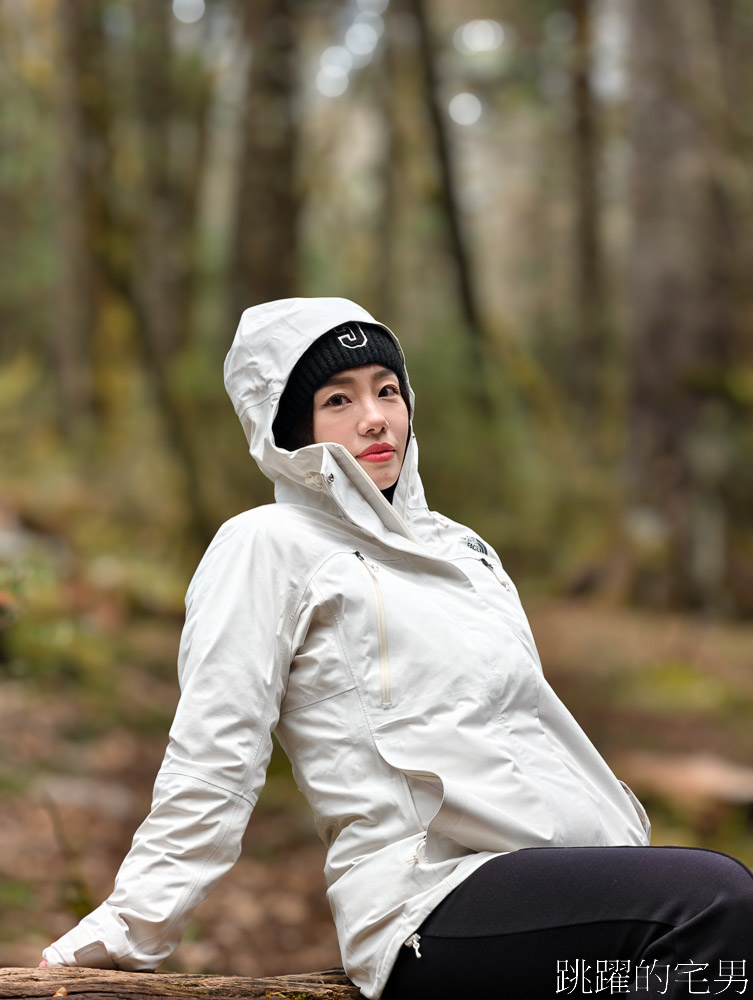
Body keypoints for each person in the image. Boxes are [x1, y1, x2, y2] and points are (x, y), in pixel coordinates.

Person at [41, 297, 753, 998]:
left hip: (554, 886)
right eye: (338, 400)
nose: (375, 416)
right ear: (292, 426)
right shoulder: (265, 545)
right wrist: (133, 925)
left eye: (386, 390)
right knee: (712, 900)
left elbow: (530, 728)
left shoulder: (463, 550)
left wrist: (625, 859)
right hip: (431, 898)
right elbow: (215, 750)